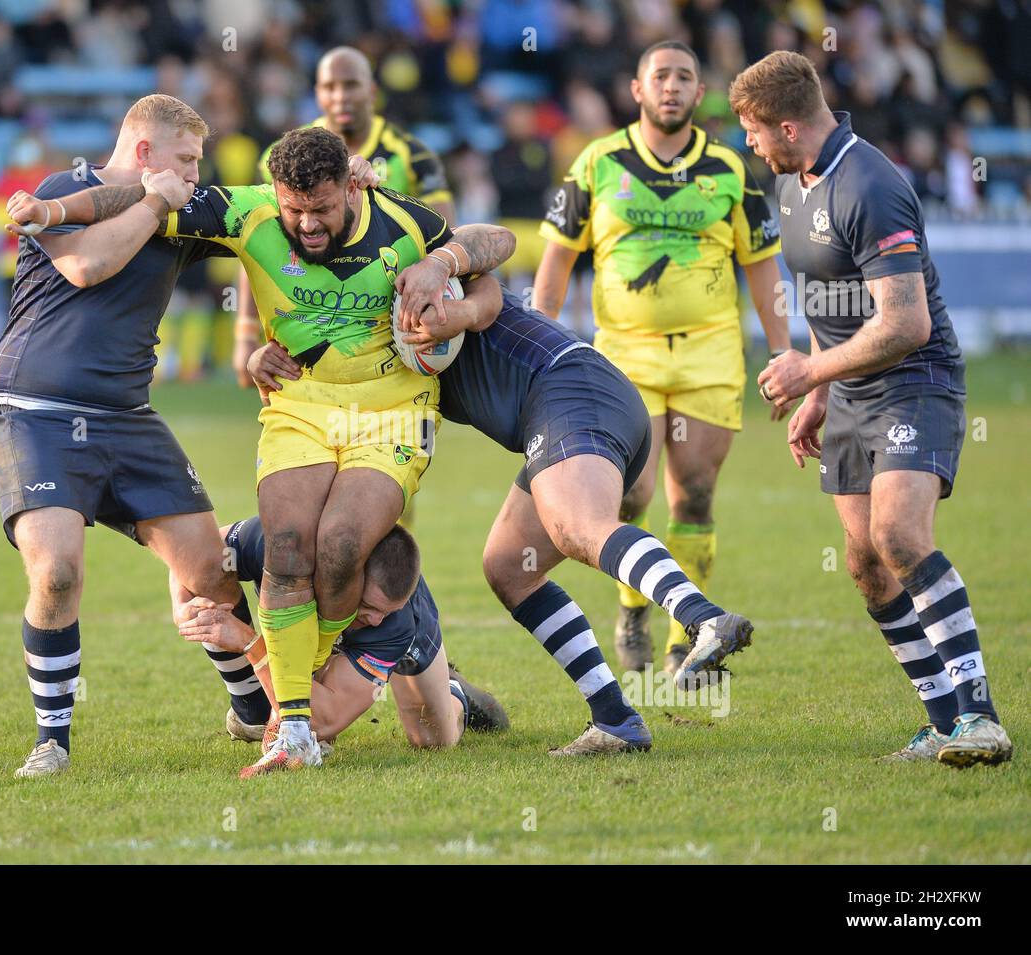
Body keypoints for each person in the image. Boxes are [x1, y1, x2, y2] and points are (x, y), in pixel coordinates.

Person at [10, 126, 515, 777]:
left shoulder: (403, 224)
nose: (306, 223)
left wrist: (447, 278)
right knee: (286, 546)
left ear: (349, 191)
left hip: (390, 415)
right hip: (299, 405)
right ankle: (296, 728)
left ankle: (316, 675)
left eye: (322, 209)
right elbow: (134, 197)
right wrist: (50, 212)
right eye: (293, 209)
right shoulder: (247, 209)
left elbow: (495, 250)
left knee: (339, 546)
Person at [251, 283, 756, 754]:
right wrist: (265, 362)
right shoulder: (367, 349)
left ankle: (701, 616)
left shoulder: (420, 266)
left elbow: (489, 246)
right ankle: (615, 720)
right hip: (581, 399)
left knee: (578, 525)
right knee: (510, 566)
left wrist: (445, 270)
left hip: (571, 389)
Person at [730, 51, 1012, 766]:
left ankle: (981, 716)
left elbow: (905, 322)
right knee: (864, 563)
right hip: (849, 391)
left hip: (915, 378)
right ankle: (946, 724)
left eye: (753, 132)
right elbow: (834, 308)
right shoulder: (794, 184)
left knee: (898, 534)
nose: (749, 145)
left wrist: (806, 370)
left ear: (788, 126)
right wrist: (820, 394)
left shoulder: (870, 183)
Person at [0, 94, 247, 778]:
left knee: (211, 572)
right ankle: (52, 739)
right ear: (143, 152)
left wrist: (355, 176)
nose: (196, 173)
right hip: (35, 408)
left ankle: (251, 707)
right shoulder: (65, 188)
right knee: (58, 570)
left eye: (198, 163)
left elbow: (278, 212)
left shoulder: (182, 207)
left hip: (126, 415)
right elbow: (87, 266)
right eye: (185, 160)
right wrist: (154, 204)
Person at [533, 42, 790, 674]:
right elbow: (557, 262)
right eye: (660, 76)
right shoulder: (596, 162)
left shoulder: (730, 168)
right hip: (623, 357)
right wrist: (542, 342)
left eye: (684, 77)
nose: (671, 86)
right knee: (629, 496)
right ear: (637, 89)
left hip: (709, 355)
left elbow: (761, 268)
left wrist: (784, 352)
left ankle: (685, 643)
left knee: (695, 496)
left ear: (698, 93)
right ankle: (631, 609)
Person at [172, 516, 508, 753]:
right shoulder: (279, 543)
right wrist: (181, 608)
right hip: (316, 604)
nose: (376, 620)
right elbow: (191, 551)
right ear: (349, 573)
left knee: (433, 738)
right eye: (368, 606)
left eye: (384, 612)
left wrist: (248, 642)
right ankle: (251, 710)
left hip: (402, 637)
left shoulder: (393, 622)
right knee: (206, 575)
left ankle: (455, 693)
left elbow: (322, 718)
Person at [233, 45, 456, 386]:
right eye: (329, 87)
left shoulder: (412, 155)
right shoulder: (284, 159)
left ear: (372, 91)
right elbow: (254, 245)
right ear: (317, 94)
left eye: (350, 85)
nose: (340, 97)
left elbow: (445, 236)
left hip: (386, 316)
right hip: (304, 313)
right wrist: (246, 333)